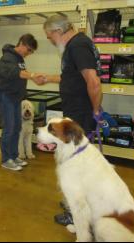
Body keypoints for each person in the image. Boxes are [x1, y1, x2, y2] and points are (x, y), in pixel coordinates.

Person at [42, 15, 103, 225]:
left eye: (50, 37)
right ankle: (74, 206)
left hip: (80, 117)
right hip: (77, 114)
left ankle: (77, 215)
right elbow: (72, 78)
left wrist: (95, 111)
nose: (50, 41)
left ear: (59, 31)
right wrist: (47, 78)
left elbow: (93, 82)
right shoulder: (77, 46)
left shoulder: (77, 46)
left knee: (75, 167)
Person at [0, 34, 45, 171]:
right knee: (9, 128)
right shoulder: (7, 58)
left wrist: (25, 92)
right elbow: (16, 73)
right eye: (28, 50)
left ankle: (14, 156)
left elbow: (22, 74)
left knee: (17, 127)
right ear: (21, 44)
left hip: (16, 97)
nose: (29, 53)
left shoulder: (19, 58)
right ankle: (6, 160)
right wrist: (33, 75)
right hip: (6, 97)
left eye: (31, 52)